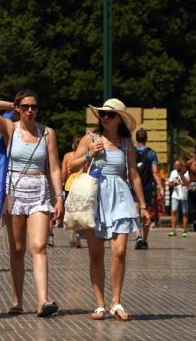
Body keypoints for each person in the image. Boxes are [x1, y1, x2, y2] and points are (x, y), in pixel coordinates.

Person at [0, 90, 63, 318]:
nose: (30, 110)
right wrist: (12, 104)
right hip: (14, 192)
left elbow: (54, 167)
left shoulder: (48, 133)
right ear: (18, 108)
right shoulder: (10, 129)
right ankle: (17, 301)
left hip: (39, 190)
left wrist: (59, 197)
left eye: (34, 107)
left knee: (38, 246)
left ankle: (43, 300)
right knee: (17, 249)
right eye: (25, 106)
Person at [69, 98, 150, 322]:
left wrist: (143, 206)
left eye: (110, 114)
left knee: (120, 252)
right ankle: (100, 305)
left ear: (119, 119)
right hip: (95, 198)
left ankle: (116, 302)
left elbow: (133, 174)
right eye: (103, 114)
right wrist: (89, 154)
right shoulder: (90, 139)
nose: (105, 117)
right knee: (96, 255)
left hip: (120, 198)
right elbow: (70, 165)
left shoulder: (126, 143)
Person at [133, 128, 164, 249]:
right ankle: (145, 241)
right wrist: (161, 188)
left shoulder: (131, 152)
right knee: (146, 211)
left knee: (135, 212)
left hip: (133, 186)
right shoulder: (151, 153)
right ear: (146, 138)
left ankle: (138, 236)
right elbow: (155, 172)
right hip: (146, 186)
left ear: (136, 138)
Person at [62, 133, 84, 248]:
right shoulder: (85, 156)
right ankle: (78, 237)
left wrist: (61, 183)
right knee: (79, 212)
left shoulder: (67, 156)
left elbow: (64, 172)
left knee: (71, 211)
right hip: (81, 186)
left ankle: (72, 231)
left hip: (69, 186)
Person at [167, 159, 189, 237]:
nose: (176, 167)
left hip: (184, 196)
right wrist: (173, 184)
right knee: (173, 211)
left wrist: (183, 183)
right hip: (175, 196)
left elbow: (188, 183)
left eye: (178, 165)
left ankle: (184, 230)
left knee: (185, 213)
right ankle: (173, 230)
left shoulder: (186, 173)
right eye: (175, 165)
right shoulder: (173, 173)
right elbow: (169, 183)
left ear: (181, 166)